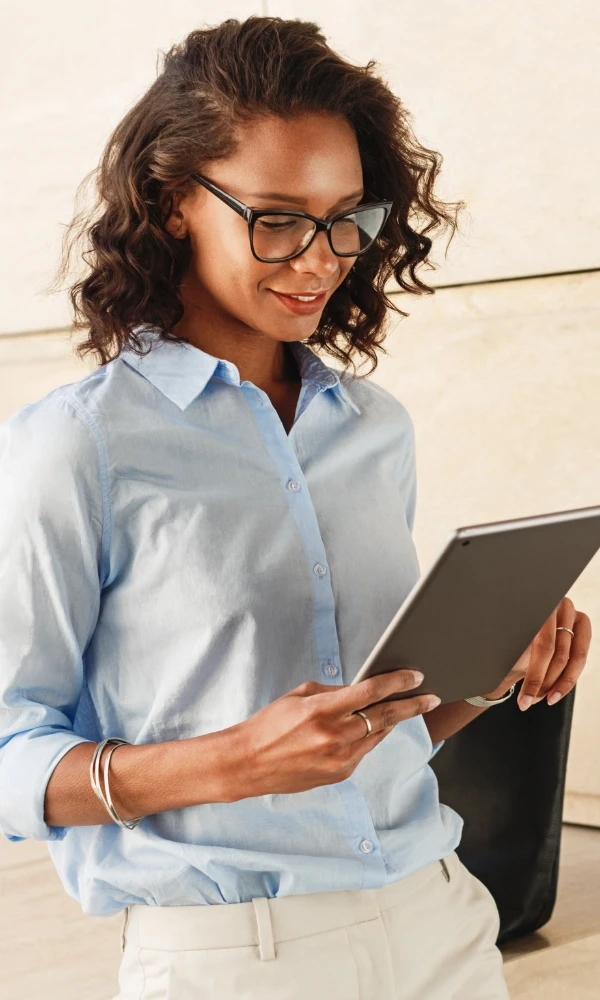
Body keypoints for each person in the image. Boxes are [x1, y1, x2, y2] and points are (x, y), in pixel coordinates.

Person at [0, 16, 591, 1000]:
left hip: (439, 919)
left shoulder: (373, 428)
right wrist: (232, 762)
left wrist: (491, 672)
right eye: (276, 217)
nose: (321, 257)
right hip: (234, 955)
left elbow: (380, 731)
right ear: (175, 198)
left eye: (347, 218)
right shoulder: (77, 446)